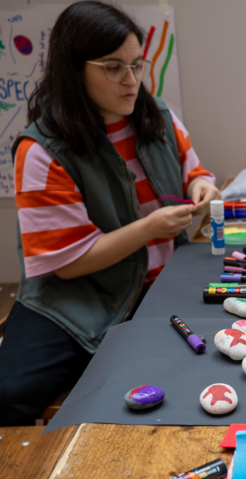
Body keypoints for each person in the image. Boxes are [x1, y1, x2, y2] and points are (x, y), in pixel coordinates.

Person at [0, 1, 219, 426]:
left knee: (175, 381)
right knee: (9, 394)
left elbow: (195, 170)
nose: (132, 80)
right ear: (74, 70)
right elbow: (68, 264)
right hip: (76, 295)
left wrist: (200, 186)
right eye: (113, 67)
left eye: (137, 65)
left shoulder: (156, 115)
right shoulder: (41, 150)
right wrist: (149, 229)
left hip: (161, 282)